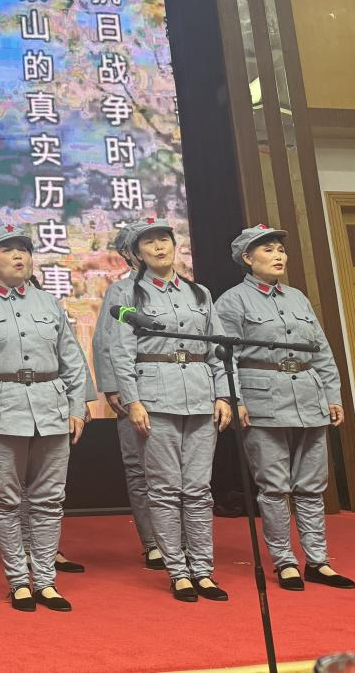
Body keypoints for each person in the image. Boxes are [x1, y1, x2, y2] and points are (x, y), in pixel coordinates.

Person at [0, 224, 86, 612]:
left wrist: (77, 407)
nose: (18, 255)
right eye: (7, 250)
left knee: (49, 501)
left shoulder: (49, 303)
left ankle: (46, 580)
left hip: (51, 410)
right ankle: (19, 581)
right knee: (5, 500)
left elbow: (72, 360)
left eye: (23, 249)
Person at [214, 224, 355, 591]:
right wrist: (234, 399)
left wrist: (332, 396)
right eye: (268, 250)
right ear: (247, 258)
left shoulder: (297, 298)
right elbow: (225, 356)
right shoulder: (232, 301)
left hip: (308, 398)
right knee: (274, 487)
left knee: (311, 486)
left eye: (280, 249)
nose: (278, 255)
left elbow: (320, 351)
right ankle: (285, 562)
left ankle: (318, 561)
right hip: (264, 401)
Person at [110, 217, 234, 603]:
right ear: (137, 253)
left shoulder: (199, 293)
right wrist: (133, 401)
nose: (159, 247)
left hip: (199, 395)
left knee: (198, 489)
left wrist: (223, 395)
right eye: (149, 242)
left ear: (175, 245)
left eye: (164, 239)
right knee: (164, 490)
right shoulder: (129, 294)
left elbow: (217, 346)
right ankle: (178, 572)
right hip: (155, 399)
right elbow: (122, 353)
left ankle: (204, 570)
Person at [90, 221, 163, 570]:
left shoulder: (187, 291)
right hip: (133, 389)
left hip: (175, 390)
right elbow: (104, 341)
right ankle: (152, 543)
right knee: (139, 468)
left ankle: (182, 540)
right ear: (128, 254)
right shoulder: (120, 291)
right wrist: (113, 387)